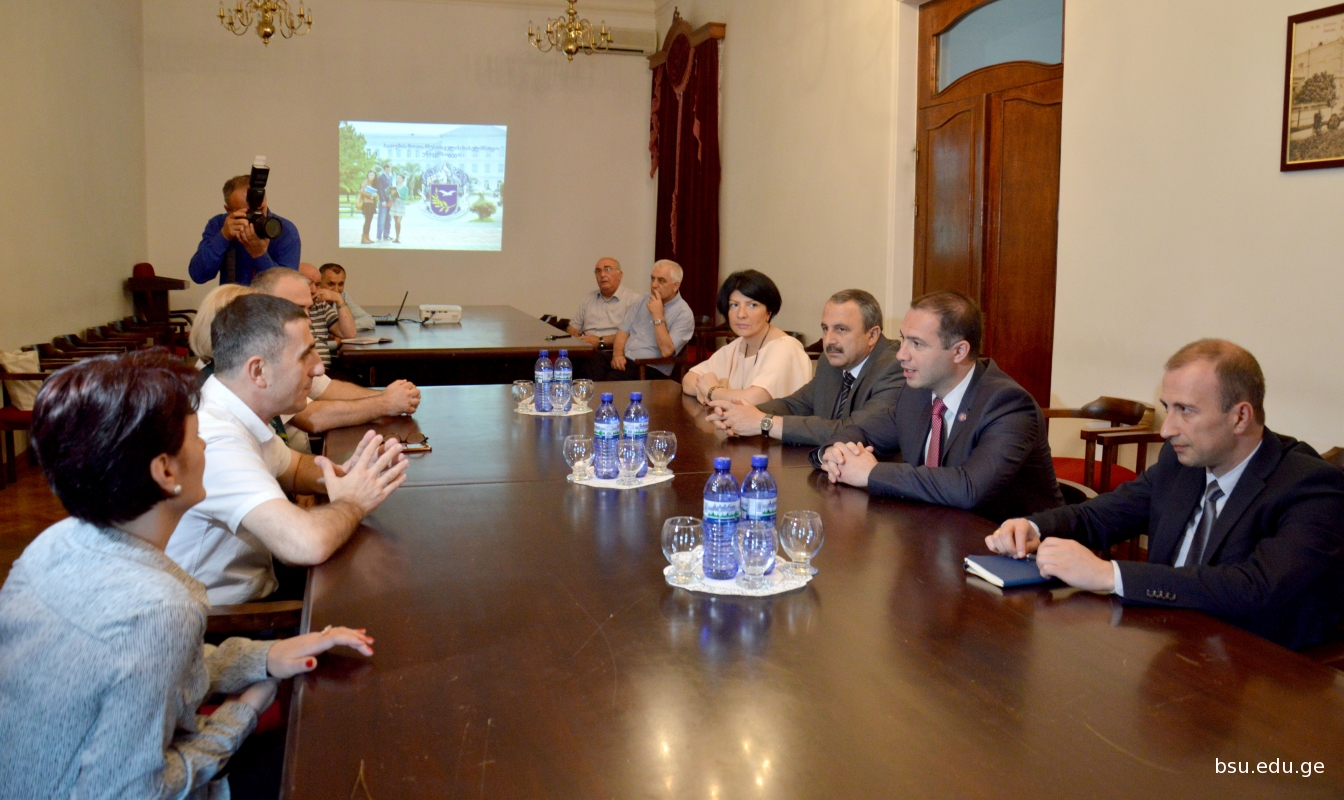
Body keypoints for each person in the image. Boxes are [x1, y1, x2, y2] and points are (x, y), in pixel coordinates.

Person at [0, 351, 374, 799]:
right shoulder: (158, 609)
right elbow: (136, 791)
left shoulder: (53, 543)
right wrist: (241, 712)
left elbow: (141, 673)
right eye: (198, 437)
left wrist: (265, 656)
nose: (205, 448)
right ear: (165, 471)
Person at [986, 340, 1344, 650]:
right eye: (1167, 407)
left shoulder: (1311, 486)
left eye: (1185, 410)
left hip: (1259, 668)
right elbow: (1100, 516)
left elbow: (1256, 588)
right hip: (1168, 642)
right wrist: (1034, 528)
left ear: (1240, 417)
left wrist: (1110, 575)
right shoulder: (1181, 463)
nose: (1167, 429)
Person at [165, 294, 409, 604]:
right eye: (306, 355)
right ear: (258, 371)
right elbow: (307, 544)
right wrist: (354, 501)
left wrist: (344, 474)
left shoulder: (234, 408)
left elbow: (292, 469)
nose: (318, 368)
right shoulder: (217, 441)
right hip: (231, 619)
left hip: (265, 582)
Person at [817, 290, 1063, 522]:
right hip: (934, 532)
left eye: (917, 344)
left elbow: (969, 488)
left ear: (959, 351)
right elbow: (863, 430)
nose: (901, 355)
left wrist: (870, 473)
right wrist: (835, 453)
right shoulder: (916, 393)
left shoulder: (1008, 404)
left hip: (1012, 544)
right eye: (903, 340)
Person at [706, 289, 904, 445]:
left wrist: (763, 423)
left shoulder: (895, 366)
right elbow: (795, 405)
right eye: (825, 329)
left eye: (841, 329)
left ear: (872, 335)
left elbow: (853, 431)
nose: (829, 340)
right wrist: (739, 414)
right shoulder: (831, 361)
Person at [250, 267, 421, 446]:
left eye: (308, 308)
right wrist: (384, 403)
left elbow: (328, 388)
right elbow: (311, 418)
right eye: (298, 308)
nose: (308, 319)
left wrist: (393, 397)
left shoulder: (285, 347)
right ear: (265, 308)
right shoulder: (260, 354)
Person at [682, 270, 812, 406]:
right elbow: (689, 379)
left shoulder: (786, 348)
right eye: (734, 305)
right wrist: (708, 390)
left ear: (769, 311)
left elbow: (755, 398)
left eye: (752, 305)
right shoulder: (738, 345)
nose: (741, 314)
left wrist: (713, 391)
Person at [189, 173, 301, 285]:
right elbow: (198, 275)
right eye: (248, 213)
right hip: (232, 296)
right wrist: (223, 237)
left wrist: (260, 255)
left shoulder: (285, 231)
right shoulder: (219, 225)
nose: (256, 217)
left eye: (260, 209)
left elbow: (287, 288)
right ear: (229, 210)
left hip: (266, 297)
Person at [598, 260, 696, 380]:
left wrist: (658, 316)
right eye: (652, 279)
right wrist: (617, 355)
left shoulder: (684, 313)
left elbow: (666, 351)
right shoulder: (642, 299)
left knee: (612, 378)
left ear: (676, 286)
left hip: (649, 368)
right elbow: (623, 331)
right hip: (626, 360)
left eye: (661, 280)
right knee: (592, 361)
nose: (654, 285)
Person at [566, 257, 639, 348]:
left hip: (613, 351)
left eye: (607, 269)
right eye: (598, 271)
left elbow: (635, 335)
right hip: (586, 350)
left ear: (620, 275)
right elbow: (572, 328)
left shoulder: (633, 300)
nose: (602, 275)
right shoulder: (588, 298)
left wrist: (600, 341)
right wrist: (578, 338)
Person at [296, 262, 356, 367]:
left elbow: (349, 333)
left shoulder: (320, 305)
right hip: (306, 372)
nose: (314, 290)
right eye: (308, 283)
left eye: (317, 284)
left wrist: (339, 300)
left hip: (325, 371)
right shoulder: (287, 310)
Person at [318, 262, 376, 330]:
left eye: (340, 284)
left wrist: (343, 328)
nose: (336, 290)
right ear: (319, 283)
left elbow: (369, 320)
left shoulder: (343, 295)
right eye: (331, 284)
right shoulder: (311, 298)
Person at [358, 170, 378, 244]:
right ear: (368, 175)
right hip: (367, 203)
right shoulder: (365, 182)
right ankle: (363, 238)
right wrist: (370, 195)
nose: (371, 176)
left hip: (371, 203)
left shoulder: (373, 183)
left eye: (373, 175)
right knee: (367, 221)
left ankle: (367, 236)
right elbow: (361, 191)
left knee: (369, 221)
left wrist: (375, 195)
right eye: (370, 175)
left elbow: (374, 192)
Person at [376, 163, 394, 241]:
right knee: (381, 220)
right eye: (387, 170)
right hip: (383, 201)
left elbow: (391, 189)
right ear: (384, 170)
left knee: (388, 219)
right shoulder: (380, 178)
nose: (388, 171)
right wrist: (382, 200)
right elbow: (379, 189)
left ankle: (386, 235)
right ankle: (379, 237)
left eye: (389, 170)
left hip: (389, 201)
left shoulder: (391, 177)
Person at [392, 175, 407, 243]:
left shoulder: (405, 188)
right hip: (394, 204)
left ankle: (398, 237)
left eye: (399, 178)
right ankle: (396, 237)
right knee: (395, 222)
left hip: (401, 205)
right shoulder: (394, 187)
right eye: (397, 178)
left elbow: (405, 197)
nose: (398, 179)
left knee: (398, 222)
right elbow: (391, 196)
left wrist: (398, 194)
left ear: (403, 180)